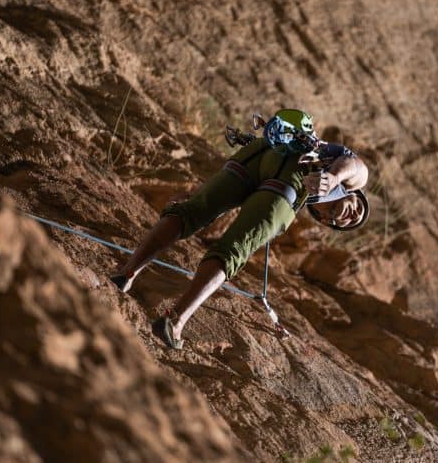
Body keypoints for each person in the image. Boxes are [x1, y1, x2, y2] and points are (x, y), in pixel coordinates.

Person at [109, 109, 369, 349]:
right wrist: (335, 177)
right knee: (234, 247)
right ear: (353, 192)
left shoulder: (310, 199)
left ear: (321, 218)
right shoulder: (347, 177)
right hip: (289, 168)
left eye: (345, 223)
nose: (353, 214)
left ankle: (126, 274)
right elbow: (357, 166)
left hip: (257, 153)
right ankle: (174, 321)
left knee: (192, 211)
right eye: (358, 205)